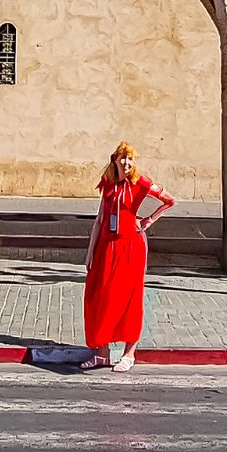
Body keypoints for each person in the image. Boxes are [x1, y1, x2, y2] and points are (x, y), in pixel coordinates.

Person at [80, 141, 175, 371]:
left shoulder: (140, 183)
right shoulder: (108, 184)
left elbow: (169, 200)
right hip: (106, 247)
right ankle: (102, 352)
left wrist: (148, 220)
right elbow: (100, 219)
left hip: (130, 247)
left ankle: (129, 353)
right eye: (122, 157)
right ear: (114, 160)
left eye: (130, 158)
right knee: (100, 296)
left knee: (129, 298)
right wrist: (90, 252)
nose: (126, 162)